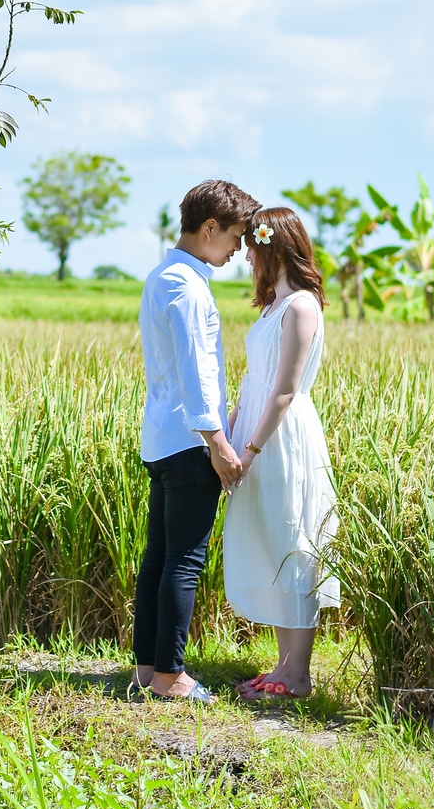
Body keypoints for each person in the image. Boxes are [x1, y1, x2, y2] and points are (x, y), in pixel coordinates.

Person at [132, 179, 261, 701]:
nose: (236, 249)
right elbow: (195, 370)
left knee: (159, 557)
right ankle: (170, 676)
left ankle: (148, 670)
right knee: (182, 560)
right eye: (233, 237)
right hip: (189, 441)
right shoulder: (187, 287)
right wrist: (217, 440)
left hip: (162, 437)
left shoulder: (163, 275)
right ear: (208, 228)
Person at [223, 206, 339, 699]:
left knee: (294, 541)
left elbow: (286, 389)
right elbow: (255, 380)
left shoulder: (302, 306)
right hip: (255, 430)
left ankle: (297, 675)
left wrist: (248, 449)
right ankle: (283, 665)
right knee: (272, 538)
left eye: (253, 246)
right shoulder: (275, 305)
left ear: (273, 246)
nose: (247, 255)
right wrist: (230, 428)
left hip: (281, 436)